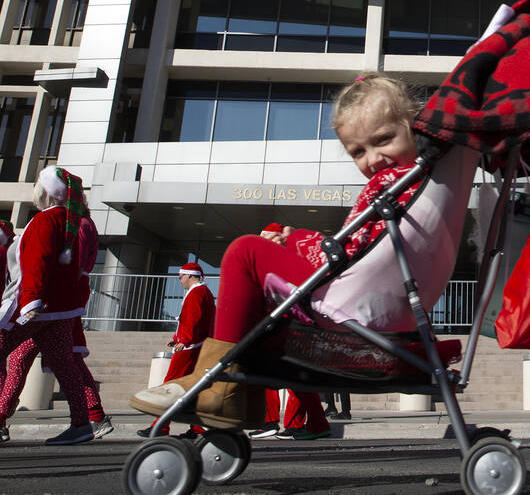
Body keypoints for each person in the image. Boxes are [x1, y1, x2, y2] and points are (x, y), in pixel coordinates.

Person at [130, 73, 422, 429]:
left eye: (384, 139)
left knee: (245, 252)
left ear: (413, 123)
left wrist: (296, 238)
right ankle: (240, 395)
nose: (373, 159)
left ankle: (220, 386)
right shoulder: (416, 184)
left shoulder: (390, 186)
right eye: (358, 152)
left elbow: (349, 252)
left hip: (356, 301)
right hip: (378, 297)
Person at [0, 167, 96, 445]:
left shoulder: (45, 220)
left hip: (36, 306)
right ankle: (81, 423)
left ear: (46, 192)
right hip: (61, 309)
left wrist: (31, 300)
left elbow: (36, 263)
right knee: (64, 366)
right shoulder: (71, 221)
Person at [137, 262, 214, 438]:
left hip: (191, 347)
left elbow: (194, 318)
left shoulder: (196, 292)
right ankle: (197, 428)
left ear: (190, 276)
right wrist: (177, 338)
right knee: (192, 388)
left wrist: (184, 340)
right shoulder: (204, 292)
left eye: (181, 277)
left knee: (171, 386)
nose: (180, 281)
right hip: (198, 345)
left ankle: (160, 427)